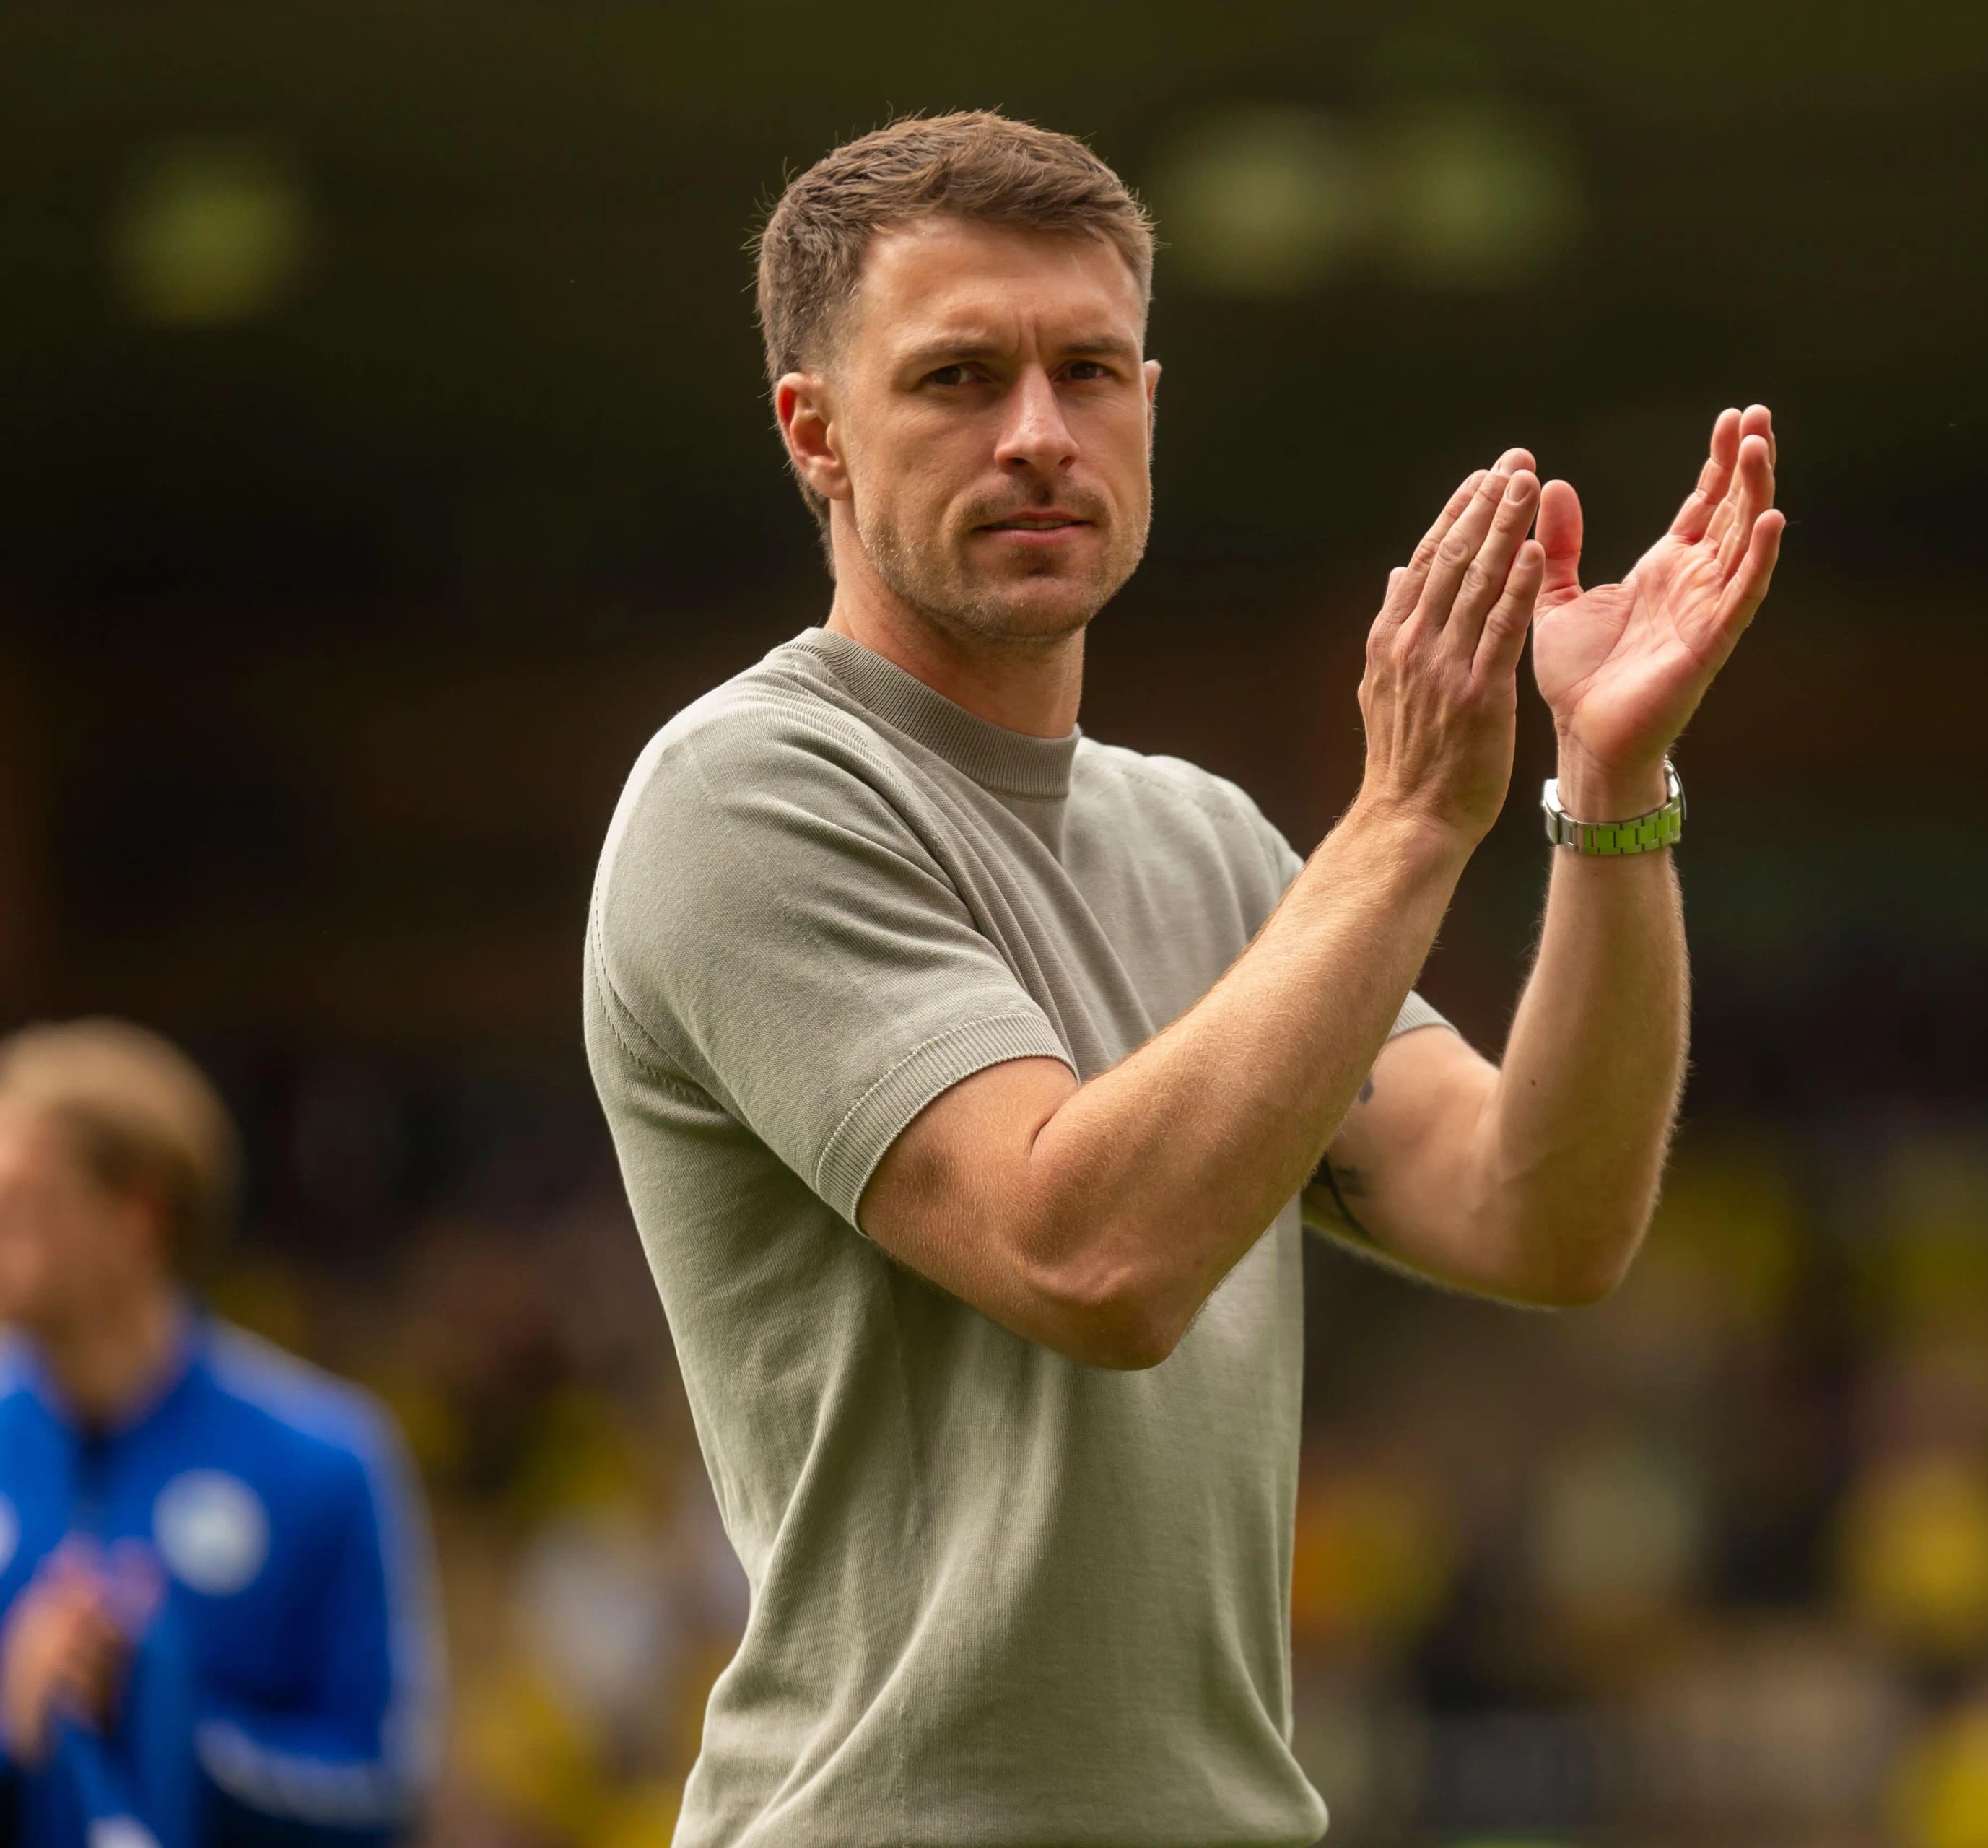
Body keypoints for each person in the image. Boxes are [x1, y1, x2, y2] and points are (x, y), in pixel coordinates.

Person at [582, 109, 1782, 1847]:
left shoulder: (1205, 839)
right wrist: (1398, 828)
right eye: (955, 380)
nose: (1038, 436)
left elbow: (1543, 1211)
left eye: (1090, 370)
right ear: (814, 432)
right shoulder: (746, 792)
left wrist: (1605, 796)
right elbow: (1089, 1255)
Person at [0, 1021, 440, 1847]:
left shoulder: (323, 1458)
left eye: (20, 1197)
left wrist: (164, 1723)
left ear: (138, 1215)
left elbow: (386, 1788)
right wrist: (13, 1728)